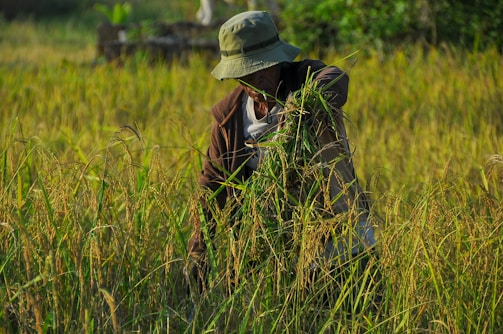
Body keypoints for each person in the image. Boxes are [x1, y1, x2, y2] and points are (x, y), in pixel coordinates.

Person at [187, 10, 378, 296]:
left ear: (278, 61)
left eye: (261, 70)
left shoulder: (305, 79)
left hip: (343, 240)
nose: (255, 82)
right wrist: (199, 254)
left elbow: (335, 79)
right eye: (244, 75)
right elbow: (213, 186)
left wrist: (303, 105)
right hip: (280, 255)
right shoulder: (229, 117)